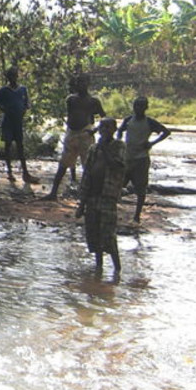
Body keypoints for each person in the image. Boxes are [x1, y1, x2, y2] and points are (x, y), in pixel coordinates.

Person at [76, 116, 126, 279]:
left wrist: (105, 149)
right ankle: (98, 270)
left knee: (108, 236)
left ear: (114, 129)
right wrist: (81, 204)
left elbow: (118, 166)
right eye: (102, 127)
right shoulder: (93, 149)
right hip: (92, 196)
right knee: (94, 235)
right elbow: (87, 175)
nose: (104, 131)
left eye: (107, 127)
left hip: (108, 197)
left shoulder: (118, 146)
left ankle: (117, 270)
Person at [45, 74, 106, 200]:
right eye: (79, 82)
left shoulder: (93, 101)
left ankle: (88, 195)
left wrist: (95, 130)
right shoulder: (71, 99)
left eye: (83, 82)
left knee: (88, 166)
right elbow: (71, 116)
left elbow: (104, 117)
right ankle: (53, 193)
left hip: (85, 133)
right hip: (71, 133)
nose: (81, 85)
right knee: (63, 164)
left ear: (88, 83)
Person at [117, 96, 171, 223]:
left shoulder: (150, 122)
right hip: (127, 157)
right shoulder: (128, 120)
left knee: (141, 189)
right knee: (118, 185)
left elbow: (166, 132)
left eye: (141, 106)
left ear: (146, 108)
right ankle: (115, 210)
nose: (138, 109)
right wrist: (119, 142)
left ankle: (137, 215)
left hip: (141, 159)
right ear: (133, 107)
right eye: (136, 106)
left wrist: (152, 143)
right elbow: (119, 131)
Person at [0, 67, 33, 184]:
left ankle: (25, 172)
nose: (13, 78)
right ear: (8, 77)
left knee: (20, 146)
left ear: (17, 76)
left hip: (18, 122)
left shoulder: (23, 89)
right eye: (10, 76)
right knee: (8, 145)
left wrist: (24, 110)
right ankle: (9, 171)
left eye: (14, 75)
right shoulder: (4, 90)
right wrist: (2, 108)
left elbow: (27, 103)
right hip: (8, 121)